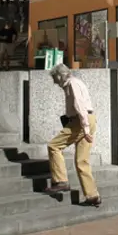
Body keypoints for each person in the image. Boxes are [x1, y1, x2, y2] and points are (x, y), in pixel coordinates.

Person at [45, 64, 101, 207]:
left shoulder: (71, 84)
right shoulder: (77, 82)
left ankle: (61, 181)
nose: (55, 82)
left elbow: (79, 105)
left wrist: (85, 127)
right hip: (89, 118)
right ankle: (92, 195)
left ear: (60, 76)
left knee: (54, 146)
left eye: (55, 78)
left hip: (81, 121)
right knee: (82, 160)